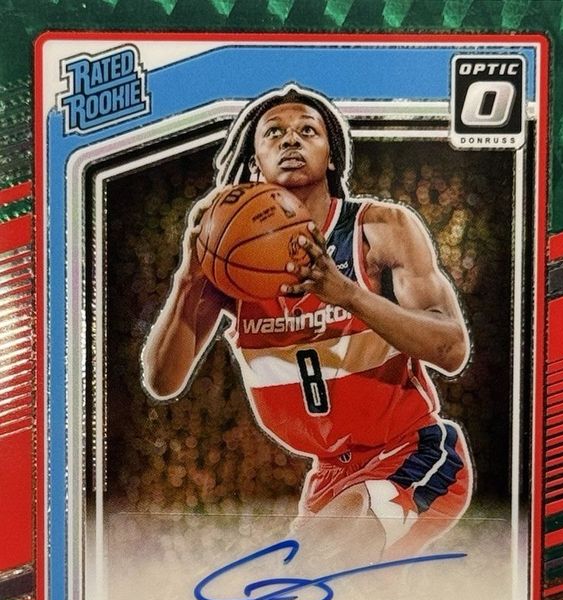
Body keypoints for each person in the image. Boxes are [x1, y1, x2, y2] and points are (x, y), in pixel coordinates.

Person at [142, 84, 473, 561]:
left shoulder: (380, 229)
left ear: (332, 155)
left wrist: (348, 294)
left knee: (300, 572)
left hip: (413, 452)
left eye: (307, 131)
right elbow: (162, 381)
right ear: (253, 161)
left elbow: (452, 349)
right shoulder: (229, 258)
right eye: (274, 132)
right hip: (328, 478)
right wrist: (188, 278)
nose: (291, 139)